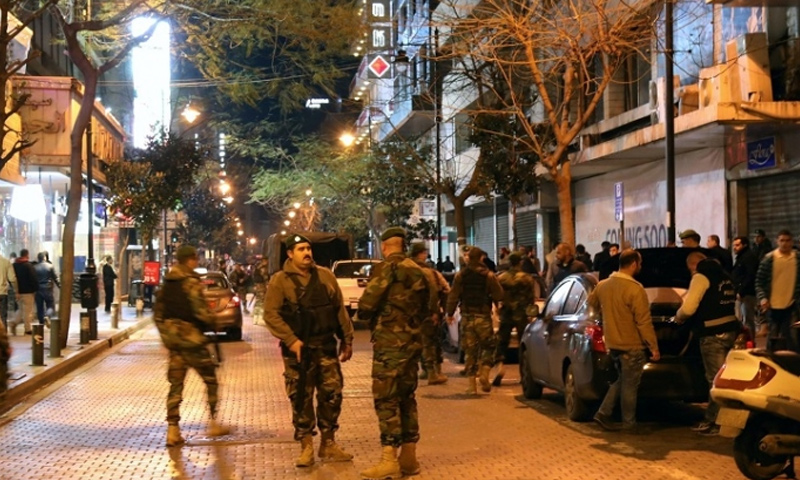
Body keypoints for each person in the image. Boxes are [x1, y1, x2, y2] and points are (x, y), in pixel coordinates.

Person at [263, 234, 354, 467]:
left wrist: (347, 339)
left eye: (308, 248)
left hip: (325, 347)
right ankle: (305, 446)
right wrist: (291, 340)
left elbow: (338, 309)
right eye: (301, 249)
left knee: (332, 395)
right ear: (290, 254)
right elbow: (271, 315)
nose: (307, 253)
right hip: (298, 353)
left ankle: (329, 443)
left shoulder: (325, 276)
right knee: (301, 397)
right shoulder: (279, 281)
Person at [357, 227, 437, 479]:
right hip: (413, 344)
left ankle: (389, 458)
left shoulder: (386, 269)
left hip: (389, 345)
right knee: (407, 397)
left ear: (385, 247)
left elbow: (367, 304)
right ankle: (409, 457)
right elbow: (430, 306)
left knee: (386, 399)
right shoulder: (420, 271)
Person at [153, 245, 230, 447]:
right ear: (190, 260)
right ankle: (213, 422)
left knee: (176, 386)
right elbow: (201, 312)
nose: (197, 261)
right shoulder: (191, 283)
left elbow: (158, 316)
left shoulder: (167, 284)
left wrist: (168, 336)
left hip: (175, 345)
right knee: (211, 380)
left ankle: (172, 430)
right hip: (193, 342)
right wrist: (213, 322)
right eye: (195, 258)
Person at [589, 249, 660, 433]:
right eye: (640, 263)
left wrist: (605, 317)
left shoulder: (603, 285)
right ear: (634, 264)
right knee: (630, 385)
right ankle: (629, 424)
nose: (641, 267)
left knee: (622, 380)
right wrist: (653, 347)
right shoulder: (635, 289)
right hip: (632, 345)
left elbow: (591, 303)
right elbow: (643, 322)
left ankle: (603, 413)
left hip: (613, 344)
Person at [675, 252, 741, 436]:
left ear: (693, 265)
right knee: (727, 378)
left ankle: (713, 421)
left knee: (715, 380)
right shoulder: (725, 277)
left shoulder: (701, 277)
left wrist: (678, 318)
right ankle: (729, 420)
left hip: (712, 333)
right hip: (731, 331)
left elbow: (689, 308)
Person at [446, 247, 504, 395]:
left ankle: (472, 386)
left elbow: (453, 295)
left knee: (470, 351)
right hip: (483, 317)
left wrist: (450, 313)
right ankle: (484, 372)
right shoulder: (489, 276)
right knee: (488, 346)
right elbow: (499, 295)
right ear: (481, 258)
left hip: (466, 317)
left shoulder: (461, 276)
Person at [408, 242, 450, 385]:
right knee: (430, 342)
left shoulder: (404, 269)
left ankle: (424, 370)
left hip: (408, 313)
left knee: (416, 341)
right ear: (422, 254)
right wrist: (437, 311)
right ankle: (433, 372)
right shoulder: (429, 272)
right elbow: (442, 290)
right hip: (426, 312)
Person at [493, 253, 537, 384]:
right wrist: (530, 313)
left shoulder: (502, 278)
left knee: (502, 341)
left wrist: (498, 307)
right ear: (520, 262)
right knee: (523, 344)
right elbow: (531, 298)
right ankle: (523, 375)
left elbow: (496, 295)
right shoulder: (527, 278)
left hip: (506, 313)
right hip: (521, 314)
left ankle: (500, 365)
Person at [755, 230, 800, 352]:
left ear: (792, 242)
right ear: (777, 241)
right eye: (782, 240)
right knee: (772, 337)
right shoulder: (769, 259)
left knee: (792, 338)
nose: (784, 244)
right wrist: (763, 298)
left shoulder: (797, 259)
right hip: (772, 305)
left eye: (787, 240)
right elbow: (759, 281)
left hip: (791, 305)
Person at [731, 236, 760, 338]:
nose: (735, 247)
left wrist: (741, 291)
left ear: (745, 245)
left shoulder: (748, 257)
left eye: (737, 245)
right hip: (742, 293)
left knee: (748, 320)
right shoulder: (741, 257)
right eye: (734, 245)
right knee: (744, 320)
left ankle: (750, 341)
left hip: (747, 293)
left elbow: (750, 276)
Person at [9, 249, 38, 335]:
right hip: (28, 292)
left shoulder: (14, 265)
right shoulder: (28, 266)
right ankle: (28, 328)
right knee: (28, 311)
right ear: (27, 255)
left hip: (18, 292)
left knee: (21, 310)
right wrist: (35, 289)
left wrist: (15, 290)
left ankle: (13, 322)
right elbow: (33, 278)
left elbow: (11, 278)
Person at [33, 252, 59, 326]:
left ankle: (41, 322)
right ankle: (47, 315)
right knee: (50, 305)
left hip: (38, 289)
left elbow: (33, 279)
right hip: (48, 288)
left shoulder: (35, 267)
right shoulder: (50, 266)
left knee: (39, 306)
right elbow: (55, 278)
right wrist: (60, 286)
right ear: (44, 258)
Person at [0, 252, 16, 330]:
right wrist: (16, 290)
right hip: (3, 293)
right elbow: (12, 279)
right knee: (3, 316)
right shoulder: (6, 262)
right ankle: (3, 337)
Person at [251, 256, 270, 325]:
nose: (267, 262)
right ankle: (260, 319)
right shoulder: (263, 268)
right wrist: (267, 285)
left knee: (258, 301)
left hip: (257, 286)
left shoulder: (257, 267)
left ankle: (255, 318)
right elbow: (265, 278)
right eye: (266, 261)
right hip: (261, 286)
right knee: (262, 302)